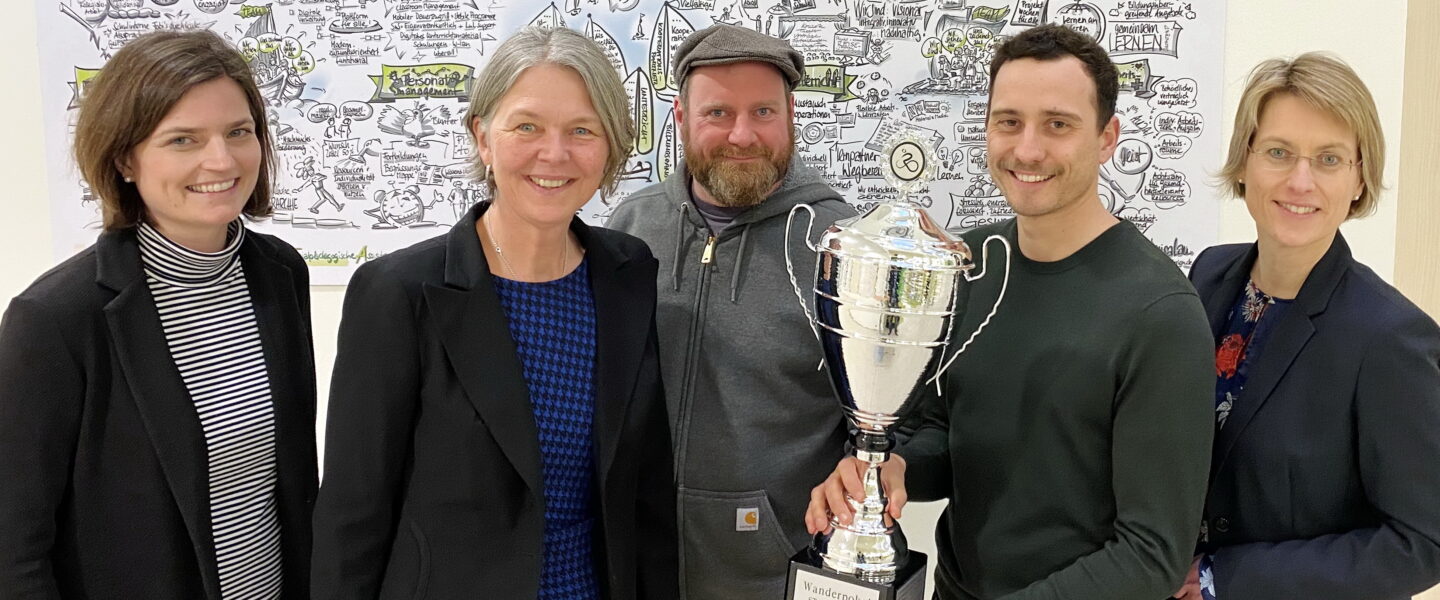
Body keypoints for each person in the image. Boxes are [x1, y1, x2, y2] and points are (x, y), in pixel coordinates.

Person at [805, 24, 1214, 599]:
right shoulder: (969, 268)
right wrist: (892, 468)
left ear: (1106, 138)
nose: (1027, 149)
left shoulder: (1161, 314)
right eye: (1009, 121)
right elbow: (951, 434)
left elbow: (1153, 553)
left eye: (1059, 124)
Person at [311, 26, 677, 599]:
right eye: (526, 126)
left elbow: (646, 492)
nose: (553, 154)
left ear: (611, 146)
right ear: (482, 137)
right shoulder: (398, 293)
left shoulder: (627, 276)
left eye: (582, 130)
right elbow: (353, 516)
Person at [0, 29, 317, 598]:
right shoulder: (57, 319)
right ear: (125, 157)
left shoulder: (280, 272)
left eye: (238, 132)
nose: (221, 159)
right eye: (182, 140)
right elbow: (13, 547)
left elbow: (290, 480)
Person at [1174, 53, 1440, 600]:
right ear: (1243, 162)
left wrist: (1220, 580)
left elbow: (1421, 543)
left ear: (1359, 178)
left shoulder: (1392, 338)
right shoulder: (1209, 274)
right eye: (1278, 153)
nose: (1300, 181)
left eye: (1329, 159)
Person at [606, 23, 857, 599]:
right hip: (637, 566)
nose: (742, 135)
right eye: (717, 113)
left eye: (763, 111)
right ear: (679, 117)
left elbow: (880, 426)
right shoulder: (629, 230)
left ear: (791, 114)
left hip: (777, 572)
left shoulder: (839, 243)